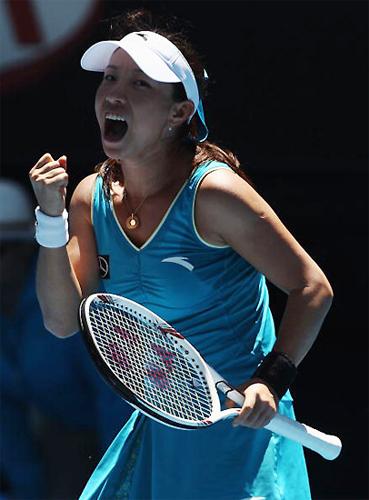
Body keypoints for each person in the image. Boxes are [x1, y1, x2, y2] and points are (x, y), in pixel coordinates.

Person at [28, 9, 333, 500]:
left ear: (179, 113)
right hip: (163, 422)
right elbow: (63, 321)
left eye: (141, 84)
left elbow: (312, 288)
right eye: (110, 77)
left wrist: (270, 380)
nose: (114, 93)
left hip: (247, 431)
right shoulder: (88, 198)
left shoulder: (215, 196)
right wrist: (50, 218)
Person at [0, 179, 132, 499]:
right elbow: (6, 421)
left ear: (24, 250)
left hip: (121, 435)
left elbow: (117, 403)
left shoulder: (72, 303)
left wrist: (119, 488)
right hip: (57, 437)